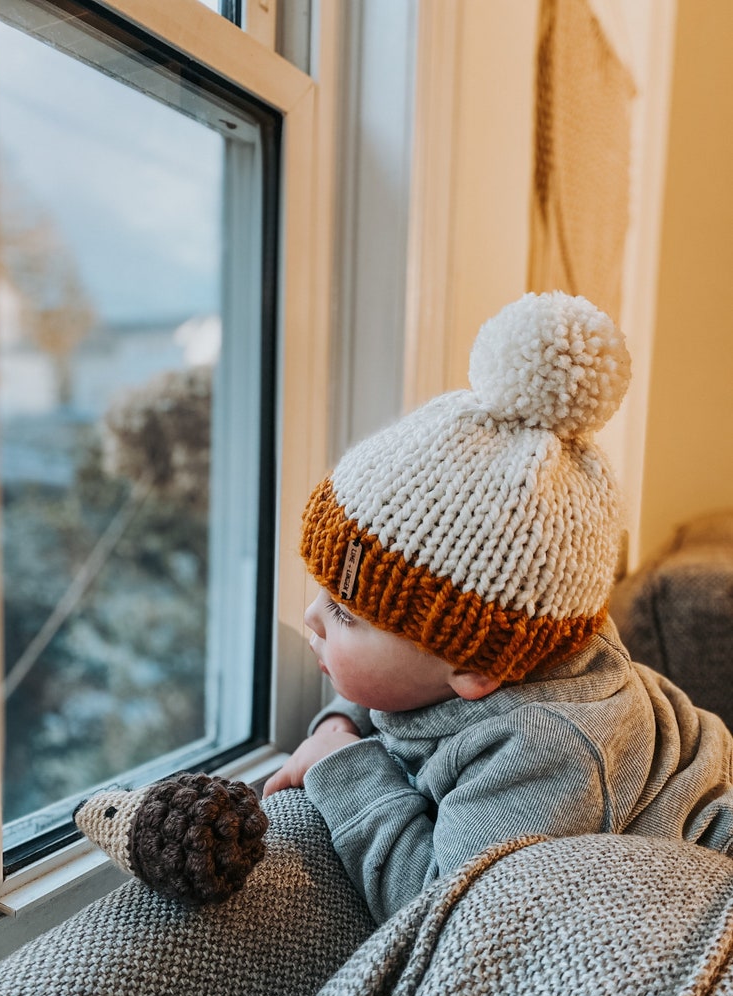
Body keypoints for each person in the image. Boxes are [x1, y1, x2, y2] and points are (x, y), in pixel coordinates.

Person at [264, 290, 733, 925]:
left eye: (346, 614)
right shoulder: (484, 656)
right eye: (326, 592)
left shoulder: (548, 747)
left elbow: (448, 912)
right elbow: (395, 684)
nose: (314, 618)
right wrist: (337, 722)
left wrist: (344, 770)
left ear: (476, 670)